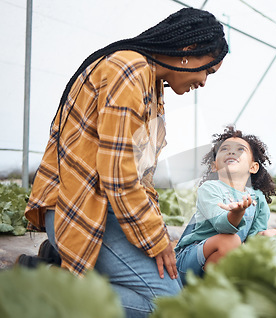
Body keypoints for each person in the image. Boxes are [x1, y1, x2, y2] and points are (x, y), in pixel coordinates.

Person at [21, 7, 228, 318]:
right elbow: (118, 177)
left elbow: (142, 179)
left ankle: (55, 263)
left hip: (107, 211)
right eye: (207, 70)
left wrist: (159, 234)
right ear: (189, 51)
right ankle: (47, 287)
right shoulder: (128, 70)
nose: (203, 82)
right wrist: (156, 242)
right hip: (79, 210)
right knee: (166, 307)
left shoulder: (153, 85)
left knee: (169, 290)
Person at [175, 126, 276, 285]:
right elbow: (223, 226)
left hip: (223, 261)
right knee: (231, 241)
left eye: (240, 149)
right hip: (189, 264)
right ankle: (206, 292)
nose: (231, 152)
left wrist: (264, 235)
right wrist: (236, 214)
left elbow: (252, 240)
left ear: (253, 167)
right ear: (214, 166)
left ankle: (220, 291)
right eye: (224, 149)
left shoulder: (258, 198)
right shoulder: (209, 188)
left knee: (261, 250)